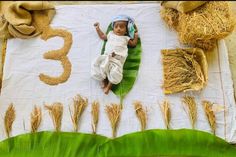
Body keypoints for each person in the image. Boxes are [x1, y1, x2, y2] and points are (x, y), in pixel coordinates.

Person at [91, 15, 139, 94]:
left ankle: (109, 86)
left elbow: (133, 44)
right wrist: (97, 29)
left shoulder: (126, 38)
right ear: (113, 28)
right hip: (107, 56)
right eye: (116, 26)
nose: (118, 28)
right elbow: (103, 36)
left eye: (121, 27)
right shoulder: (110, 34)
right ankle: (104, 82)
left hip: (117, 59)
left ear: (126, 30)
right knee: (99, 66)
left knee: (115, 73)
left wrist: (136, 36)